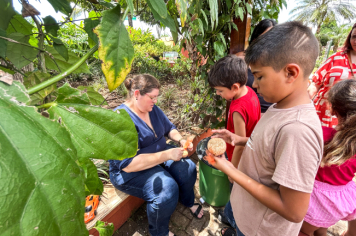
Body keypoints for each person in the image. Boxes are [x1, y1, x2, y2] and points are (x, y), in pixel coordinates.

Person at [211, 21, 323, 236]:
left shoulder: (298, 131)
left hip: (259, 229)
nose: (254, 84)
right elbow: (268, 147)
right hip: (248, 214)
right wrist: (239, 139)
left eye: (260, 76)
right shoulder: (280, 105)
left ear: (291, 72)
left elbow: (294, 211)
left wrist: (229, 169)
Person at [109, 74, 203, 236]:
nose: (155, 101)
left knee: (188, 168)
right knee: (166, 189)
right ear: (137, 94)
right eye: (152, 97)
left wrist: (180, 139)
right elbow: (128, 165)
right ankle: (159, 232)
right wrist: (167, 155)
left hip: (158, 156)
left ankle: (187, 201)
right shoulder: (119, 119)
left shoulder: (152, 109)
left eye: (157, 97)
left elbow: (169, 128)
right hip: (129, 172)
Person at [300, 79, 356, 236]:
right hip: (339, 205)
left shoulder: (320, 134)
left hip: (313, 203)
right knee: (321, 230)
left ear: (332, 110)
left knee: (304, 232)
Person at [208, 55, 260, 168]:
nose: (217, 93)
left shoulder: (238, 109)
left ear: (235, 87)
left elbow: (239, 145)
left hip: (240, 161)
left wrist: (232, 170)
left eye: (220, 90)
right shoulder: (250, 91)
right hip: (251, 152)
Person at [308, 23, 356, 128]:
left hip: (348, 124)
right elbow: (315, 84)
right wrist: (302, 106)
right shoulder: (336, 58)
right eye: (354, 37)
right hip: (320, 116)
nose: (355, 41)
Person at [236, 19, 276, 114]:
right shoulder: (241, 59)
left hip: (270, 114)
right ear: (255, 39)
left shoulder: (277, 62)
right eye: (265, 38)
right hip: (247, 115)